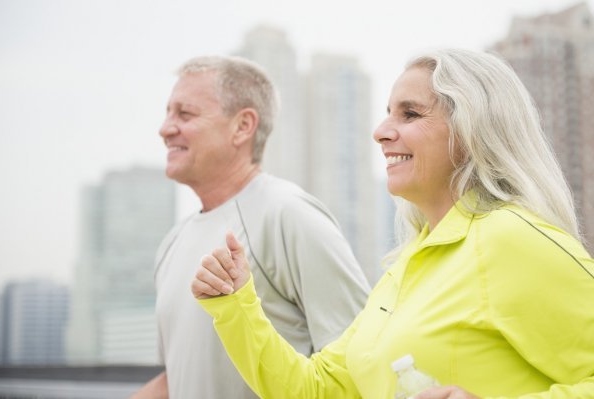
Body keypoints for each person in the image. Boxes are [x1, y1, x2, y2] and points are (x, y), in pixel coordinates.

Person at [192, 48, 594, 398]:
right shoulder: (405, 267)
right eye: (388, 114)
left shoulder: (513, 240)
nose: (381, 132)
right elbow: (316, 390)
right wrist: (236, 304)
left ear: (473, 131)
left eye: (411, 113)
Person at [132, 56, 371, 398]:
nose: (165, 128)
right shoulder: (172, 242)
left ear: (243, 126)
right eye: (168, 112)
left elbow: (362, 361)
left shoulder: (290, 215)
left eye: (185, 114)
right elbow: (178, 379)